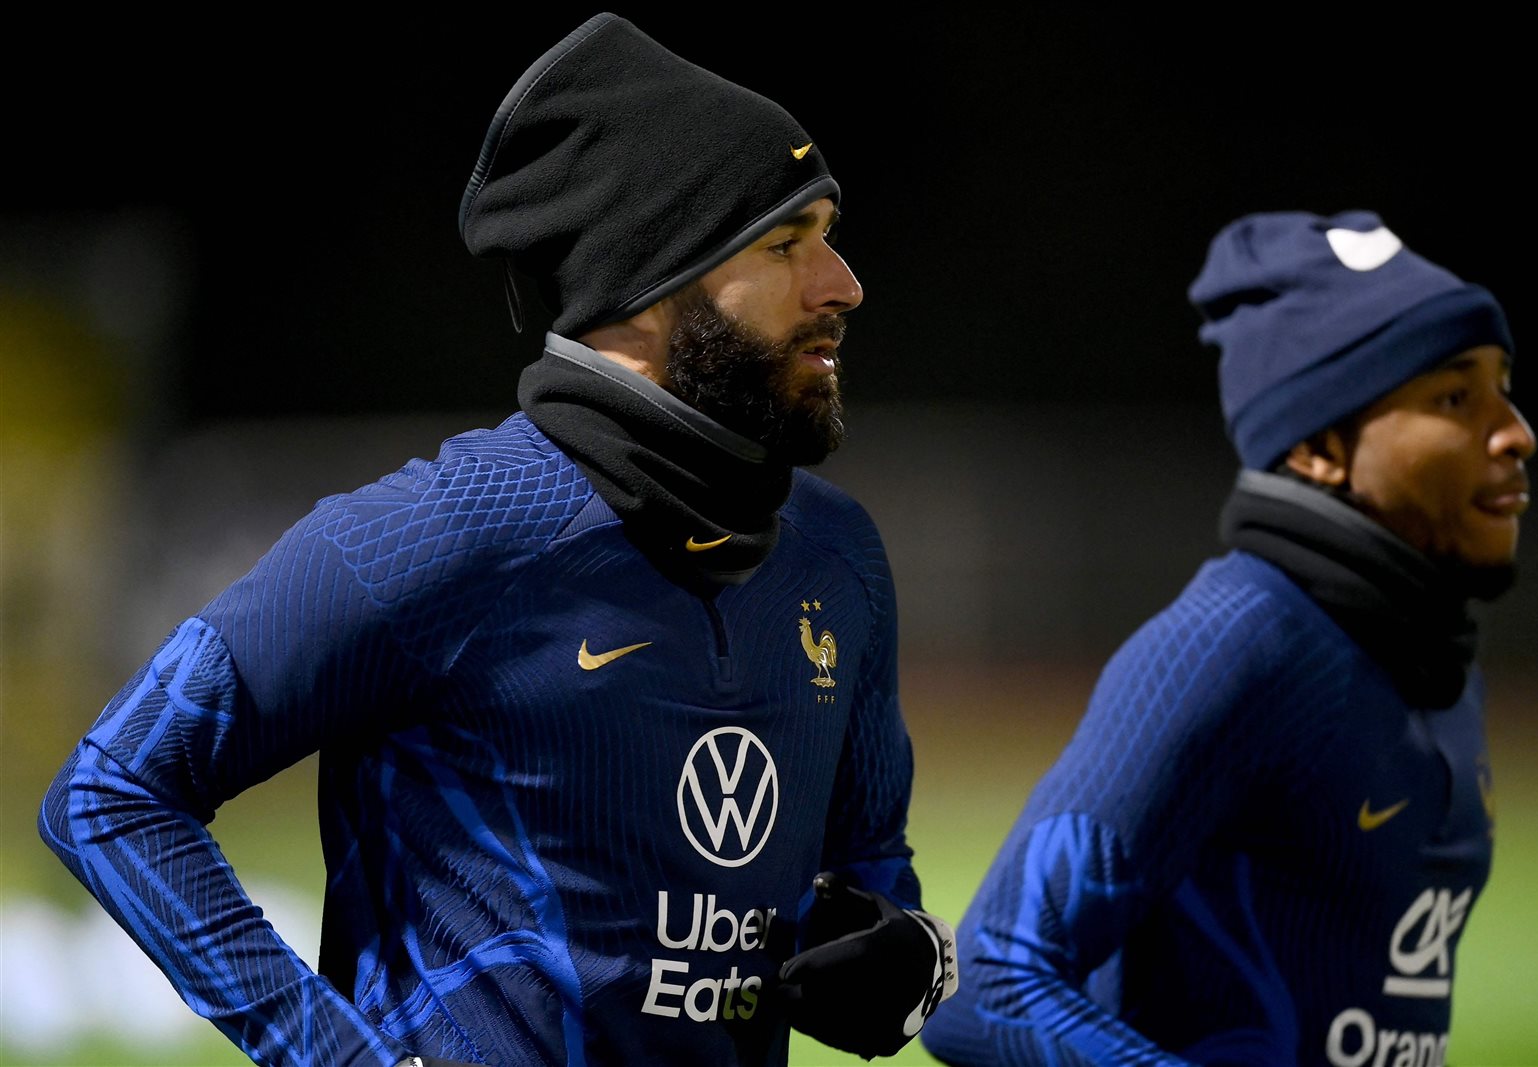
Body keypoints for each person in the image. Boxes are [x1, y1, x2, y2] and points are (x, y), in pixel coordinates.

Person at [38, 13, 956, 1066]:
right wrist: (336, 1055)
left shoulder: (837, 560)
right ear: (650, 285)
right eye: (786, 245)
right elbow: (111, 792)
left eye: (828, 235)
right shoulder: (439, 534)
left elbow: (871, 865)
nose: (843, 282)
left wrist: (903, 951)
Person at [919, 209, 1534, 1067]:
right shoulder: (1236, 643)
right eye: (1455, 398)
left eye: (1505, 385)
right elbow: (986, 987)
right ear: (1318, 446)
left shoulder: (1436, 666)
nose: (1516, 431)